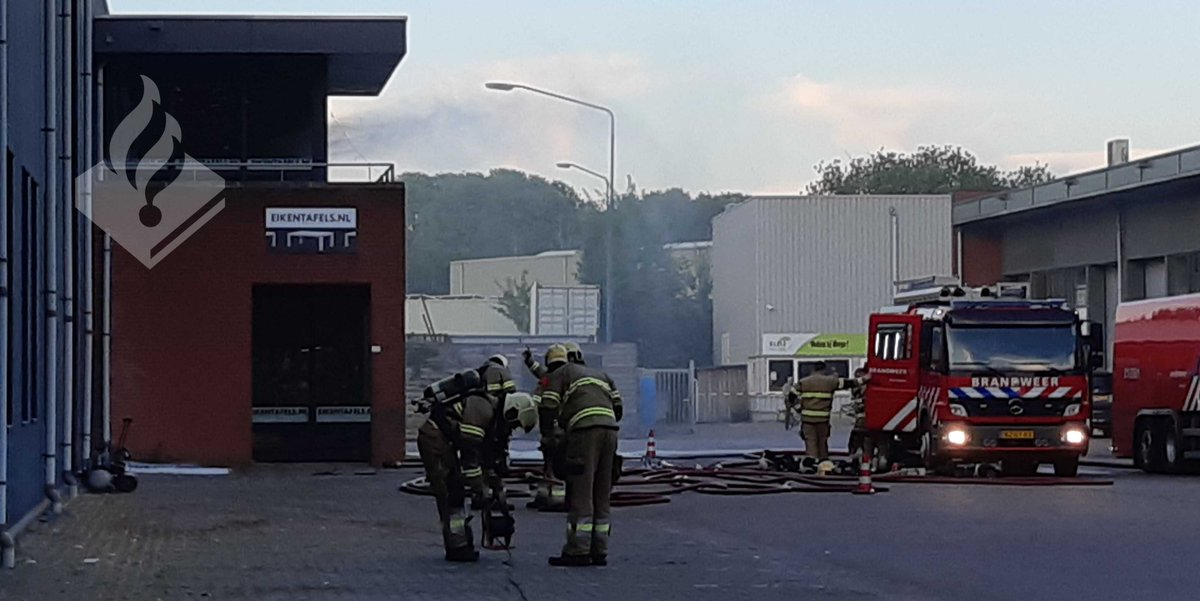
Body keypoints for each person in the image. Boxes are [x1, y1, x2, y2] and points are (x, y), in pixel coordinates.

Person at [417, 364, 535, 562]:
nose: (512, 429)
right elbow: (470, 457)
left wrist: (496, 486)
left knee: (455, 489)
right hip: (434, 438)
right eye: (514, 424)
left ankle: (461, 542)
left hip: (444, 440)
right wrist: (481, 491)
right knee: (449, 492)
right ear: (512, 411)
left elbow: (486, 457)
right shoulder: (483, 408)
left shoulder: (492, 415)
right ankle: (457, 547)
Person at [539, 346, 622, 567]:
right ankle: (599, 549)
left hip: (584, 433)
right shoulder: (600, 374)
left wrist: (549, 437)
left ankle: (578, 550)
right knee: (602, 491)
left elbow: (548, 406)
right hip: (611, 431)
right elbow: (618, 408)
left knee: (581, 490)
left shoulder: (560, 373)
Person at [787, 362, 868, 462]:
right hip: (823, 420)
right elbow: (849, 383)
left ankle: (812, 466)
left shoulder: (803, 382)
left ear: (813, 369)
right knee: (822, 444)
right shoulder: (830, 381)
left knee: (811, 444)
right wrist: (865, 379)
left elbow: (790, 397)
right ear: (824, 370)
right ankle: (824, 466)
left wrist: (799, 409)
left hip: (807, 421)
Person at [527, 344, 569, 510]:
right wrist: (530, 362)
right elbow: (540, 373)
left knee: (555, 463)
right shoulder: (563, 376)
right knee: (551, 462)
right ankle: (544, 495)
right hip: (557, 428)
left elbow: (545, 403)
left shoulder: (552, 378)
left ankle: (556, 497)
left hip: (553, 427)